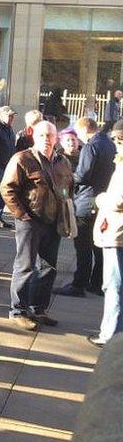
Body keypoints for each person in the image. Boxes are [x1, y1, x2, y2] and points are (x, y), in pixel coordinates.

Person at [1, 121, 74, 331]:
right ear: (34, 136)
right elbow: (7, 188)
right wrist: (22, 215)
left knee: (48, 267)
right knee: (25, 266)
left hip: (54, 222)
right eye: (42, 135)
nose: (47, 139)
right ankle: (18, 310)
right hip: (30, 221)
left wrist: (67, 211)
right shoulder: (22, 158)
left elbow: (68, 188)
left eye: (50, 135)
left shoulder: (62, 161)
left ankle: (38, 308)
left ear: (56, 138)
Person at [54, 117, 116, 298]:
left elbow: (83, 174)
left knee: (83, 245)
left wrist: (68, 176)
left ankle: (79, 284)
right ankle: (97, 283)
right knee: (98, 244)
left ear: (83, 130)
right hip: (102, 199)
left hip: (86, 201)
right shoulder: (109, 143)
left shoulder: (91, 146)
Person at [89, 120, 123, 347]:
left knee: (113, 285)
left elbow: (119, 200)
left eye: (115, 140)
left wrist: (101, 199)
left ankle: (110, 335)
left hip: (118, 234)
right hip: (116, 232)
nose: (114, 145)